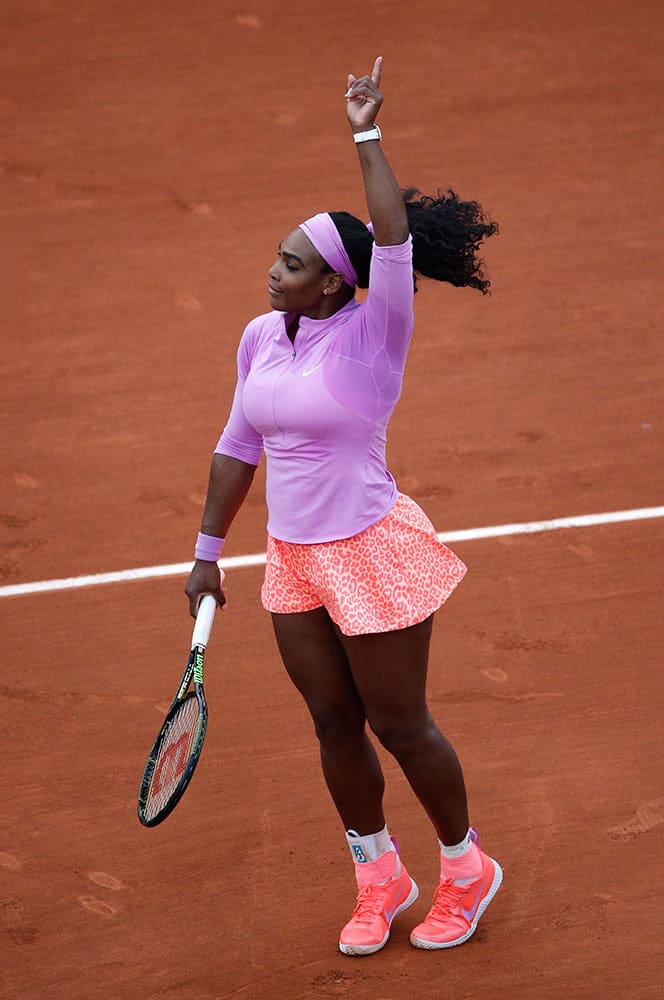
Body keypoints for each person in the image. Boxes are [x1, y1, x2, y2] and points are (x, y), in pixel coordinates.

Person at [185, 57, 501, 957]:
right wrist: (208, 549)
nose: (271, 271)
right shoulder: (261, 338)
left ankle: (467, 867)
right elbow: (238, 444)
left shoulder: (375, 333)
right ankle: (378, 874)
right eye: (277, 257)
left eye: (290, 263)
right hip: (293, 556)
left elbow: (390, 237)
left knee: (402, 725)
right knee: (333, 723)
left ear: (332, 281)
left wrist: (365, 131)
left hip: (369, 549)